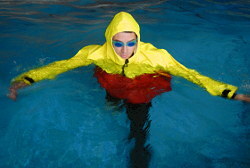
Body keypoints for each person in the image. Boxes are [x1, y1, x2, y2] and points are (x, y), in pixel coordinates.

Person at [7, 12, 250, 167]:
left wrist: (231, 93)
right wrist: (25, 80)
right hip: (112, 82)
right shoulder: (94, 53)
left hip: (142, 87)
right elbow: (59, 67)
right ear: (109, 39)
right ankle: (113, 108)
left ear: (138, 40)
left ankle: (138, 155)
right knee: (111, 101)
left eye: (131, 43)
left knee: (138, 125)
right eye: (118, 44)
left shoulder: (157, 57)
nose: (125, 50)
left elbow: (194, 76)